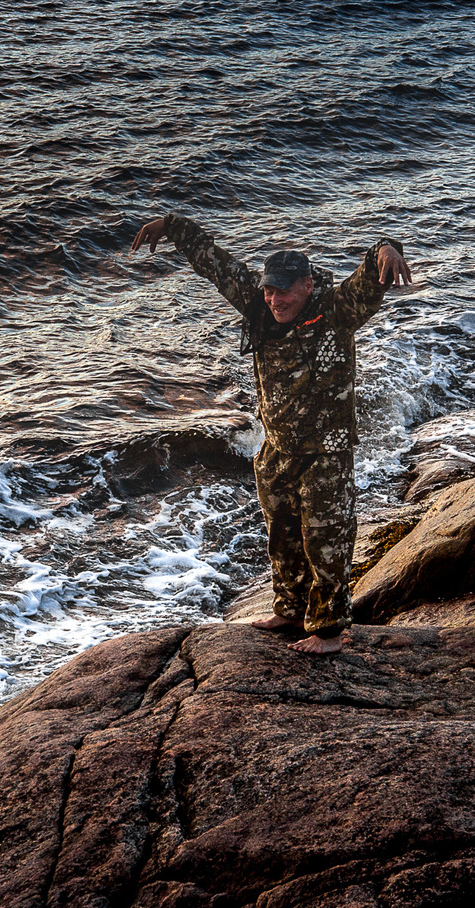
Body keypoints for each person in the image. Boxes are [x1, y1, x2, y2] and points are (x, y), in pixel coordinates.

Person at [132, 214, 412, 654]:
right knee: (282, 536)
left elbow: (370, 274)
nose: (274, 299)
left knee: (326, 537)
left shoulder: (337, 311)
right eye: (268, 289)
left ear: (307, 286)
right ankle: (290, 610)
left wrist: (386, 246)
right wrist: (173, 227)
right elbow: (217, 265)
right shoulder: (260, 308)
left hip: (325, 452)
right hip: (277, 449)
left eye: (283, 290)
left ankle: (329, 630)